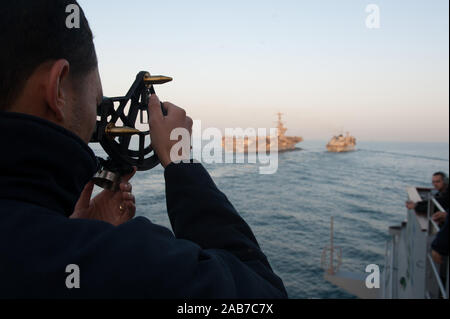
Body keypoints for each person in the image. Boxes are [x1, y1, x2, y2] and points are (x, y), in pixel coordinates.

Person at [0, 0, 287, 298]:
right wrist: (180, 161)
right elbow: (263, 295)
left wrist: (68, 230)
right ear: (58, 89)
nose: (98, 115)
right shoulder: (126, 264)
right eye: (97, 101)